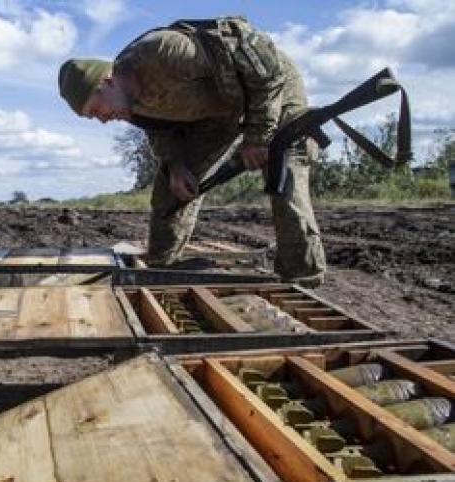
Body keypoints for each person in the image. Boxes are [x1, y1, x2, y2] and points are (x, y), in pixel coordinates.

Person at [58, 16, 326, 287]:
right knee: (171, 187)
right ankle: (162, 267)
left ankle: (302, 278)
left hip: (271, 93)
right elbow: (160, 129)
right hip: (218, 114)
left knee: (284, 172)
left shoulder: (163, 52)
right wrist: (175, 165)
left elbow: (263, 65)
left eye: (95, 110)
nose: (102, 120)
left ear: (107, 82)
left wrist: (258, 136)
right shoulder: (127, 105)